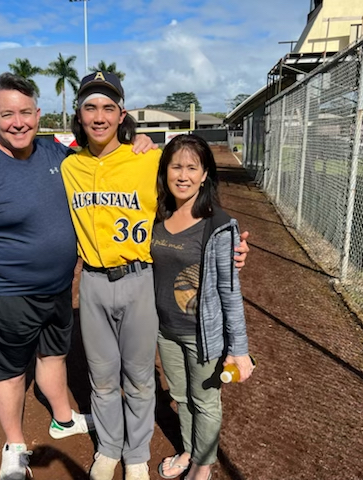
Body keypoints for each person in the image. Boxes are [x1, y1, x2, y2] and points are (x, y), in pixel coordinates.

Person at [0, 72, 157, 480]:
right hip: (7, 295)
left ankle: (63, 417)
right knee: (8, 373)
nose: (18, 122)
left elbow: (110, 160)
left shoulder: (58, 155)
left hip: (59, 289)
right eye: (8, 115)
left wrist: (139, 142)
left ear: (38, 115)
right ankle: (14, 446)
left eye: (26, 112)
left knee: (53, 356)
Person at [61, 73, 250, 480]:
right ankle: (109, 448)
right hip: (92, 282)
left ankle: (135, 454)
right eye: (90, 107)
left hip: (138, 279)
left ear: (121, 114)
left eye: (108, 108)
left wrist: (231, 244)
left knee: (142, 378)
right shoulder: (68, 166)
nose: (99, 116)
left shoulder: (149, 160)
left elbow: (191, 191)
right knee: (102, 376)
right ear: (79, 113)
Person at [151, 134, 254, 480]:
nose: (183, 175)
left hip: (202, 336)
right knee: (180, 396)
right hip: (165, 331)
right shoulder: (158, 216)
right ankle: (189, 450)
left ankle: (204, 464)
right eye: (175, 166)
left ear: (205, 173)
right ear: (164, 171)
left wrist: (239, 350)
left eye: (192, 167)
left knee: (205, 401)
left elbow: (229, 291)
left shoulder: (218, 225)